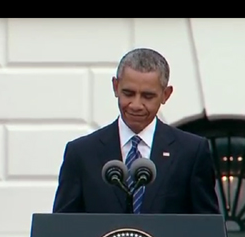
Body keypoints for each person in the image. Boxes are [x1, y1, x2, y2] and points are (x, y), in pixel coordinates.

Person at [52, 48, 220, 215]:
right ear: (115, 87)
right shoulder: (81, 153)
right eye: (128, 93)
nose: (136, 105)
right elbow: (62, 229)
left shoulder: (190, 152)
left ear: (165, 95)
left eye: (147, 96)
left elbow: (206, 230)